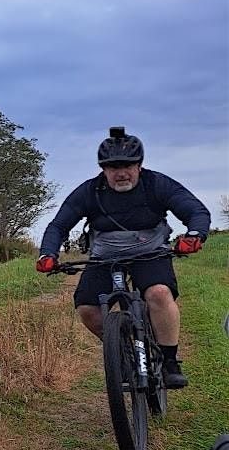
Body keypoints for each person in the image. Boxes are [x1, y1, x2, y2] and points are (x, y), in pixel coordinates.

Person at [36, 127, 210, 388]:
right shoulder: (90, 191)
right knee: (87, 308)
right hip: (105, 256)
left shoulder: (157, 184)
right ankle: (123, 351)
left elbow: (196, 211)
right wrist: (48, 253)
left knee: (159, 293)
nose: (121, 173)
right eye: (113, 167)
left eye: (127, 165)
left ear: (139, 165)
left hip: (150, 253)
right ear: (103, 169)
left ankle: (170, 361)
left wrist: (195, 235)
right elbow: (59, 226)